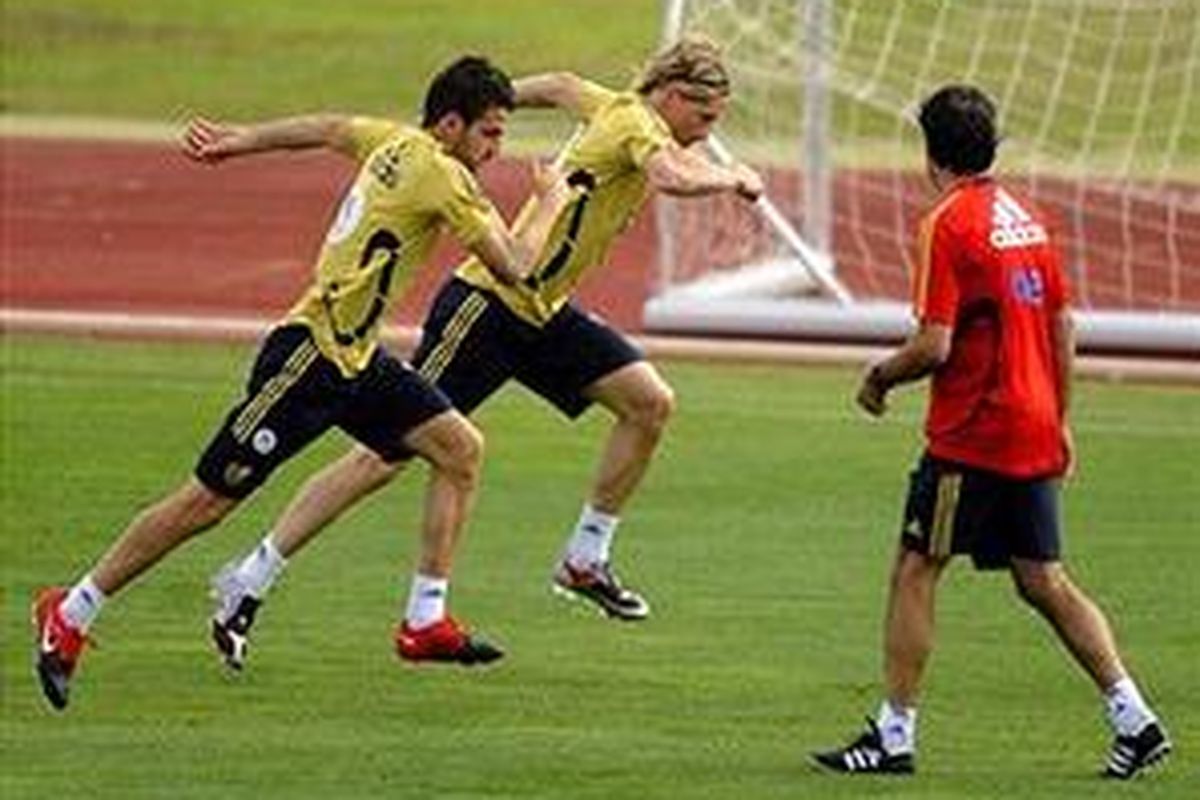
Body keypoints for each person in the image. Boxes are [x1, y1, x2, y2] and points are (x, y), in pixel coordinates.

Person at [32, 55, 574, 711]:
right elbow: (516, 265)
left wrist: (244, 140)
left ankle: (424, 620)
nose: (497, 148)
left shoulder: (392, 140)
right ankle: (73, 607)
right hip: (308, 359)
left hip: (356, 359)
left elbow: (326, 127)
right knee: (206, 502)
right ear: (452, 124)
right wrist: (549, 203)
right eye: (490, 133)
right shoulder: (442, 175)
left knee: (458, 447)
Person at [204, 36, 764, 662]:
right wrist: (732, 176)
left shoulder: (607, 105)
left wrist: (498, 99)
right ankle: (251, 577)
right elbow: (668, 174)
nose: (707, 134)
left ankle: (585, 557)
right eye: (705, 117)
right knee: (382, 458)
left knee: (648, 403)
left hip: (541, 312)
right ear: (671, 95)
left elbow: (557, 80)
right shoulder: (638, 124)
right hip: (488, 307)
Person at [812, 84, 1171, 780]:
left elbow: (935, 344)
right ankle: (1136, 717)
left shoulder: (947, 222)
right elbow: (1064, 324)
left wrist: (878, 376)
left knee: (916, 567)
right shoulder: (1026, 215)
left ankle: (893, 734)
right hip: (1034, 423)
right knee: (1042, 579)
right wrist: (1060, 420)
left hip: (975, 432)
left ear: (929, 152)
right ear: (990, 145)